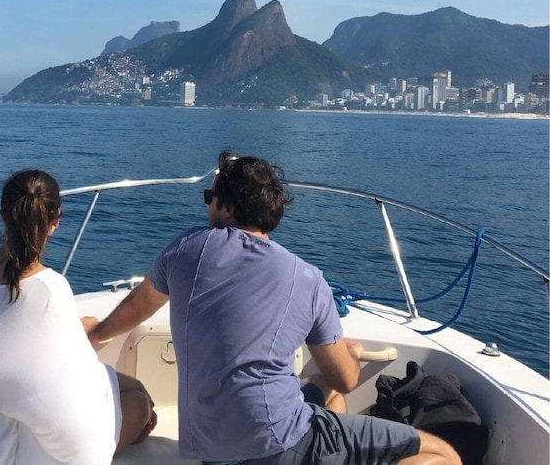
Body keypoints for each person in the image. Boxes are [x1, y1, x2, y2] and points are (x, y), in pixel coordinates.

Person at [87, 150, 462, 465]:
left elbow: (138, 307)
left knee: (319, 389)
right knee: (445, 454)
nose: (207, 206)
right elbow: (346, 378)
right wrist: (353, 353)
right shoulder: (308, 279)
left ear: (228, 208)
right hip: (280, 446)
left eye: (209, 197)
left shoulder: (187, 249)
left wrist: (97, 334)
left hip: (212, 452)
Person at [0, 169, 154, 464]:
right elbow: (78, 384)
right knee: (138, 400)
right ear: (55, 220)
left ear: (3, 215)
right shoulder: (49, 287)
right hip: (1, 451)